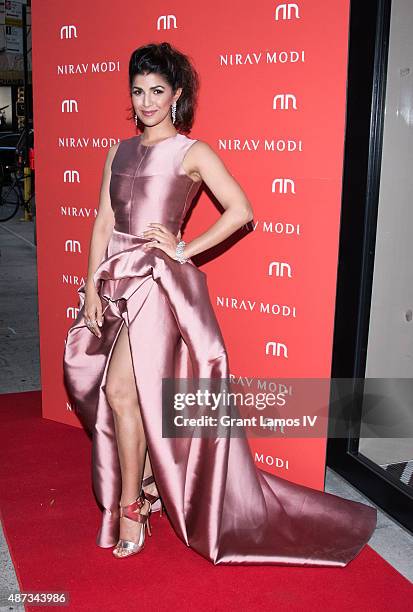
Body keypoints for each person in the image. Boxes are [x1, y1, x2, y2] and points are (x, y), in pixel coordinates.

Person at [63, 42, 377, 565]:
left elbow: (241, 210)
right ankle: (146, 481)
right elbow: (101, 221)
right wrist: (90, 287)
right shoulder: (116, 151)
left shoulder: (192, 152)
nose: (146, 102)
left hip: (157, 283)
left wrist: (184, 247)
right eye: (138, 92)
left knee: (122, 390)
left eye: (157, 92)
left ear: (176, 95)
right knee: (121, 395)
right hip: (114, 281)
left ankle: (130, 505)